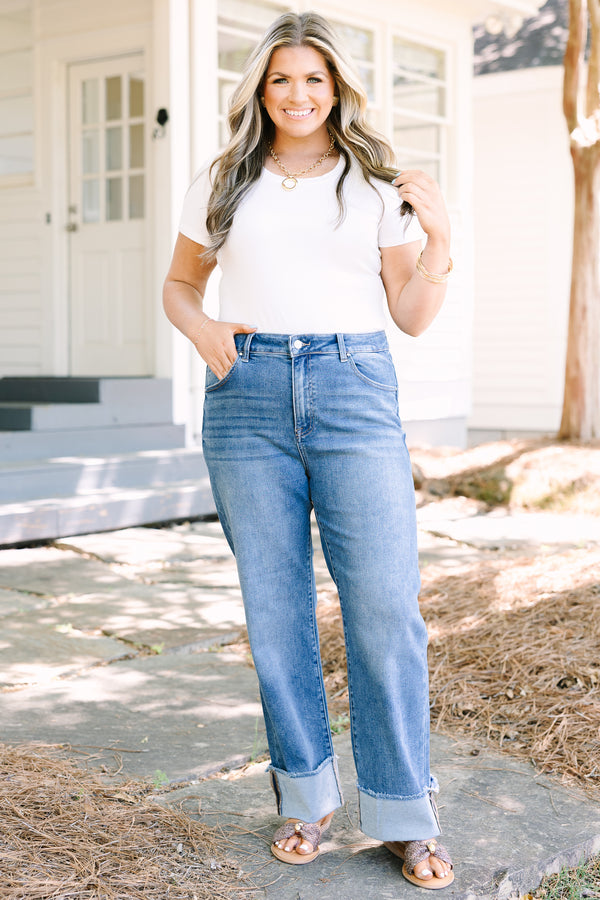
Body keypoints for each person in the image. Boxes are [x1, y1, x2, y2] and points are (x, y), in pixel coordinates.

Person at [163, 11, 454, 890]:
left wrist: (441, 242)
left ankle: (404, 811)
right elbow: (180, 286)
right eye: (280, 79)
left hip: (352, 387)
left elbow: (411, 315)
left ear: (337, 89)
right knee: (276, 611)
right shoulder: (224, 179)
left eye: (314, 79)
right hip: (245, 394)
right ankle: (306, 800)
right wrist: (205, 331)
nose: (297, 94)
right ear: (260, 89)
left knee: (385, 606)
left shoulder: (373, 183)